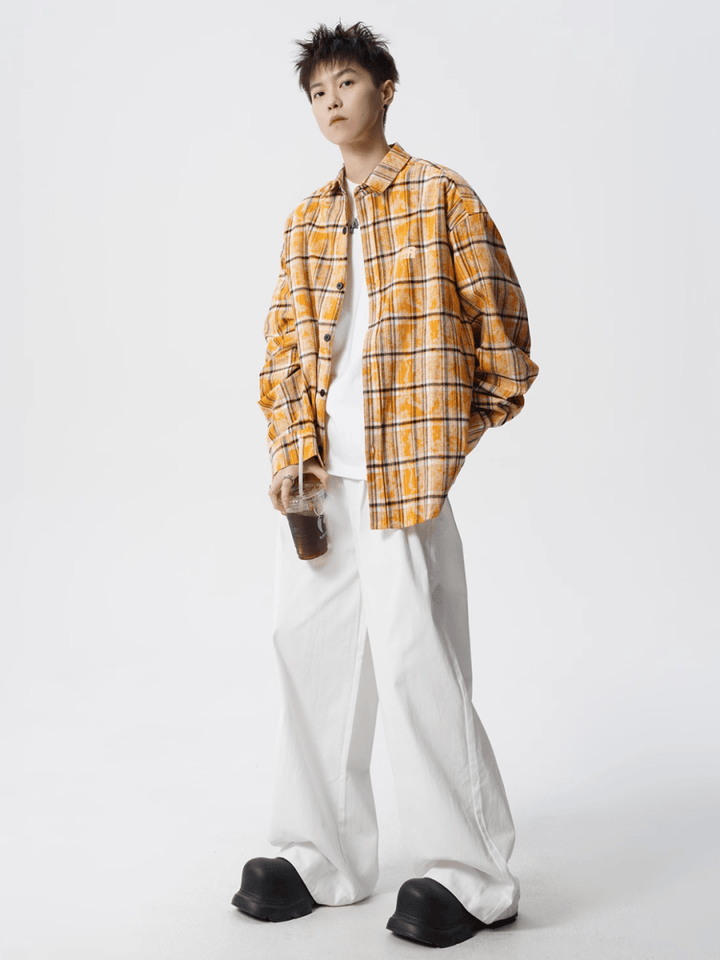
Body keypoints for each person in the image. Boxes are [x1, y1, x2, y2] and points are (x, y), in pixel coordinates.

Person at [231, 21, 539, 949]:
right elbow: (284, 351)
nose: (331, 101)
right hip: (320, 483)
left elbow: (506, 341)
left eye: (347, 82)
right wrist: (293, 451)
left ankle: (473, 877)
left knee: (416, 666)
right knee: (308, 654)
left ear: (386, 89)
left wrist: (445, 440)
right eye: (317, 90)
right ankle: (318, 855)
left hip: (405, 479)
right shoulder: (306, 221)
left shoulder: (443, 195)